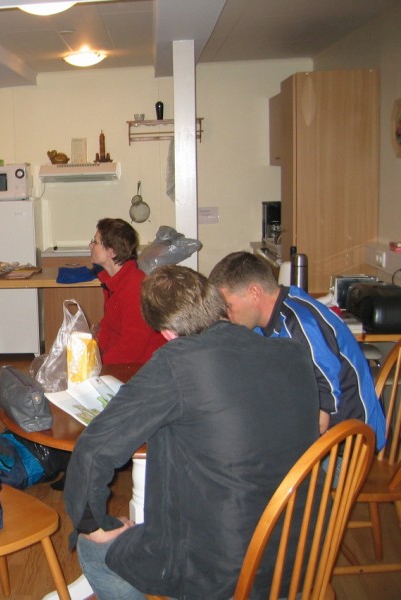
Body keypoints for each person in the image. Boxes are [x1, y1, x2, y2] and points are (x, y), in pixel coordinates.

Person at [64, 265, 320, 600]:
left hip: (219, 576)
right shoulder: (293, 353)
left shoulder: (178, 362)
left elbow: (95, 450)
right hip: (299, 559)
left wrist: (94, 526)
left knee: (92, 545)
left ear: (168, 333)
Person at [209, 251, 386, 449]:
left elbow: (319, 420)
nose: (227, 315)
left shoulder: (302, 326)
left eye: (228, 306)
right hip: (319, 437)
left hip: (347, 449)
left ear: (254, 293)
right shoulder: (265, 319)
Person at [91, 218, 165, 364]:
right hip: (128, 362)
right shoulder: (113, 282)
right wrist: (94, 357)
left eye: (95, 242)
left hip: (145, 365)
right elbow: (108, 328)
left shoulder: (135, 287)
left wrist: (100, 366)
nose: (91, 245)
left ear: (110, 252)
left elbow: (131, 347)